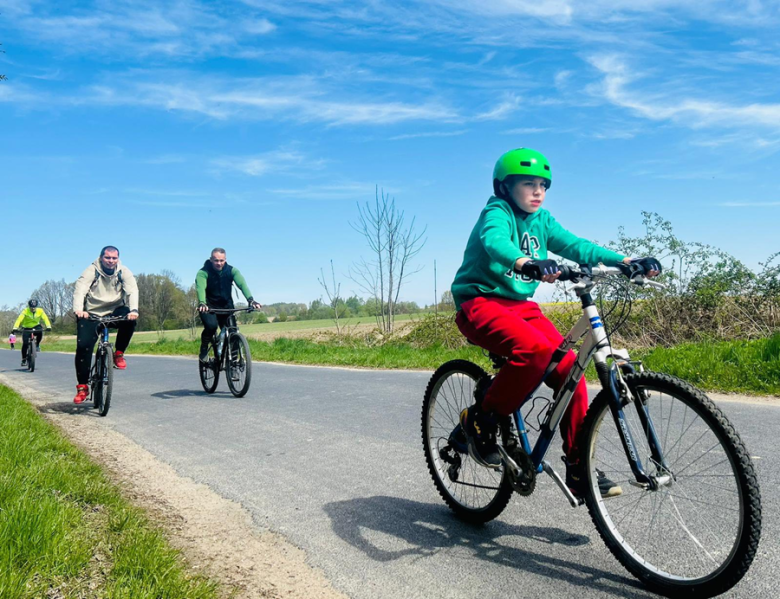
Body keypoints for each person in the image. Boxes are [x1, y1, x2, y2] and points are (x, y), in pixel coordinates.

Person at [451, 147, 661, 499]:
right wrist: (524, 262)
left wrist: (626, 260)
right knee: (534, 350)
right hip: (479, 301)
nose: (538, 191)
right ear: (504, 188)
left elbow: (577, 246)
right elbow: (495, 241)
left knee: (570, 370)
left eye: (544, 185)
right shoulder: (497, 212)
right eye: (528, 183)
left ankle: (579, 469)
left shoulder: (543, 220)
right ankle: (481, 419)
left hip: (518, 305)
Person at [72, 246, 139, 404]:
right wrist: (79, 310)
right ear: (101, 258)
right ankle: (82, 387)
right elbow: (80, 290)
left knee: (130, 320)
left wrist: (134, 310)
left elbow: (132, 291)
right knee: (83, 347)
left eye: (114, 258)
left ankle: (119, 353)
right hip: (92, 312)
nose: (111, 261)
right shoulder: (91, 270)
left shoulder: (123, 271)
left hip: (115, 309)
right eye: (107, 258)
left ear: (118, 259)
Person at [196, 248, 261, 362]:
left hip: (226, 306)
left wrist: (251, 300)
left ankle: (233, 364)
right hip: (209, 307)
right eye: (216, 260)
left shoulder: (232, 271)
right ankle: (204, 349)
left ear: (225, 260)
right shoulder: (203, 273)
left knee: (233, 333)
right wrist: (202, 302)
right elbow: (200, 288)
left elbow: (242, 284)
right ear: (211, 259)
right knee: (211, 327)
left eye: (221, 260)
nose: (219, 263)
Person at [12, 299, 51, 366]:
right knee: (25, 344)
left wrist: (48, 326)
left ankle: (37, 345)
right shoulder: (25, 311)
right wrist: (15, 328)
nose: (33, 309)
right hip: (26, 327)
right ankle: (24, 359)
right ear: (29, 306)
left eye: (34, 307)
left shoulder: (40, 311)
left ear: (36, 306)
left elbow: (45, 318)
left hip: (36, 326)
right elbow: (19, 319)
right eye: (31, 307)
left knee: (40, 331)